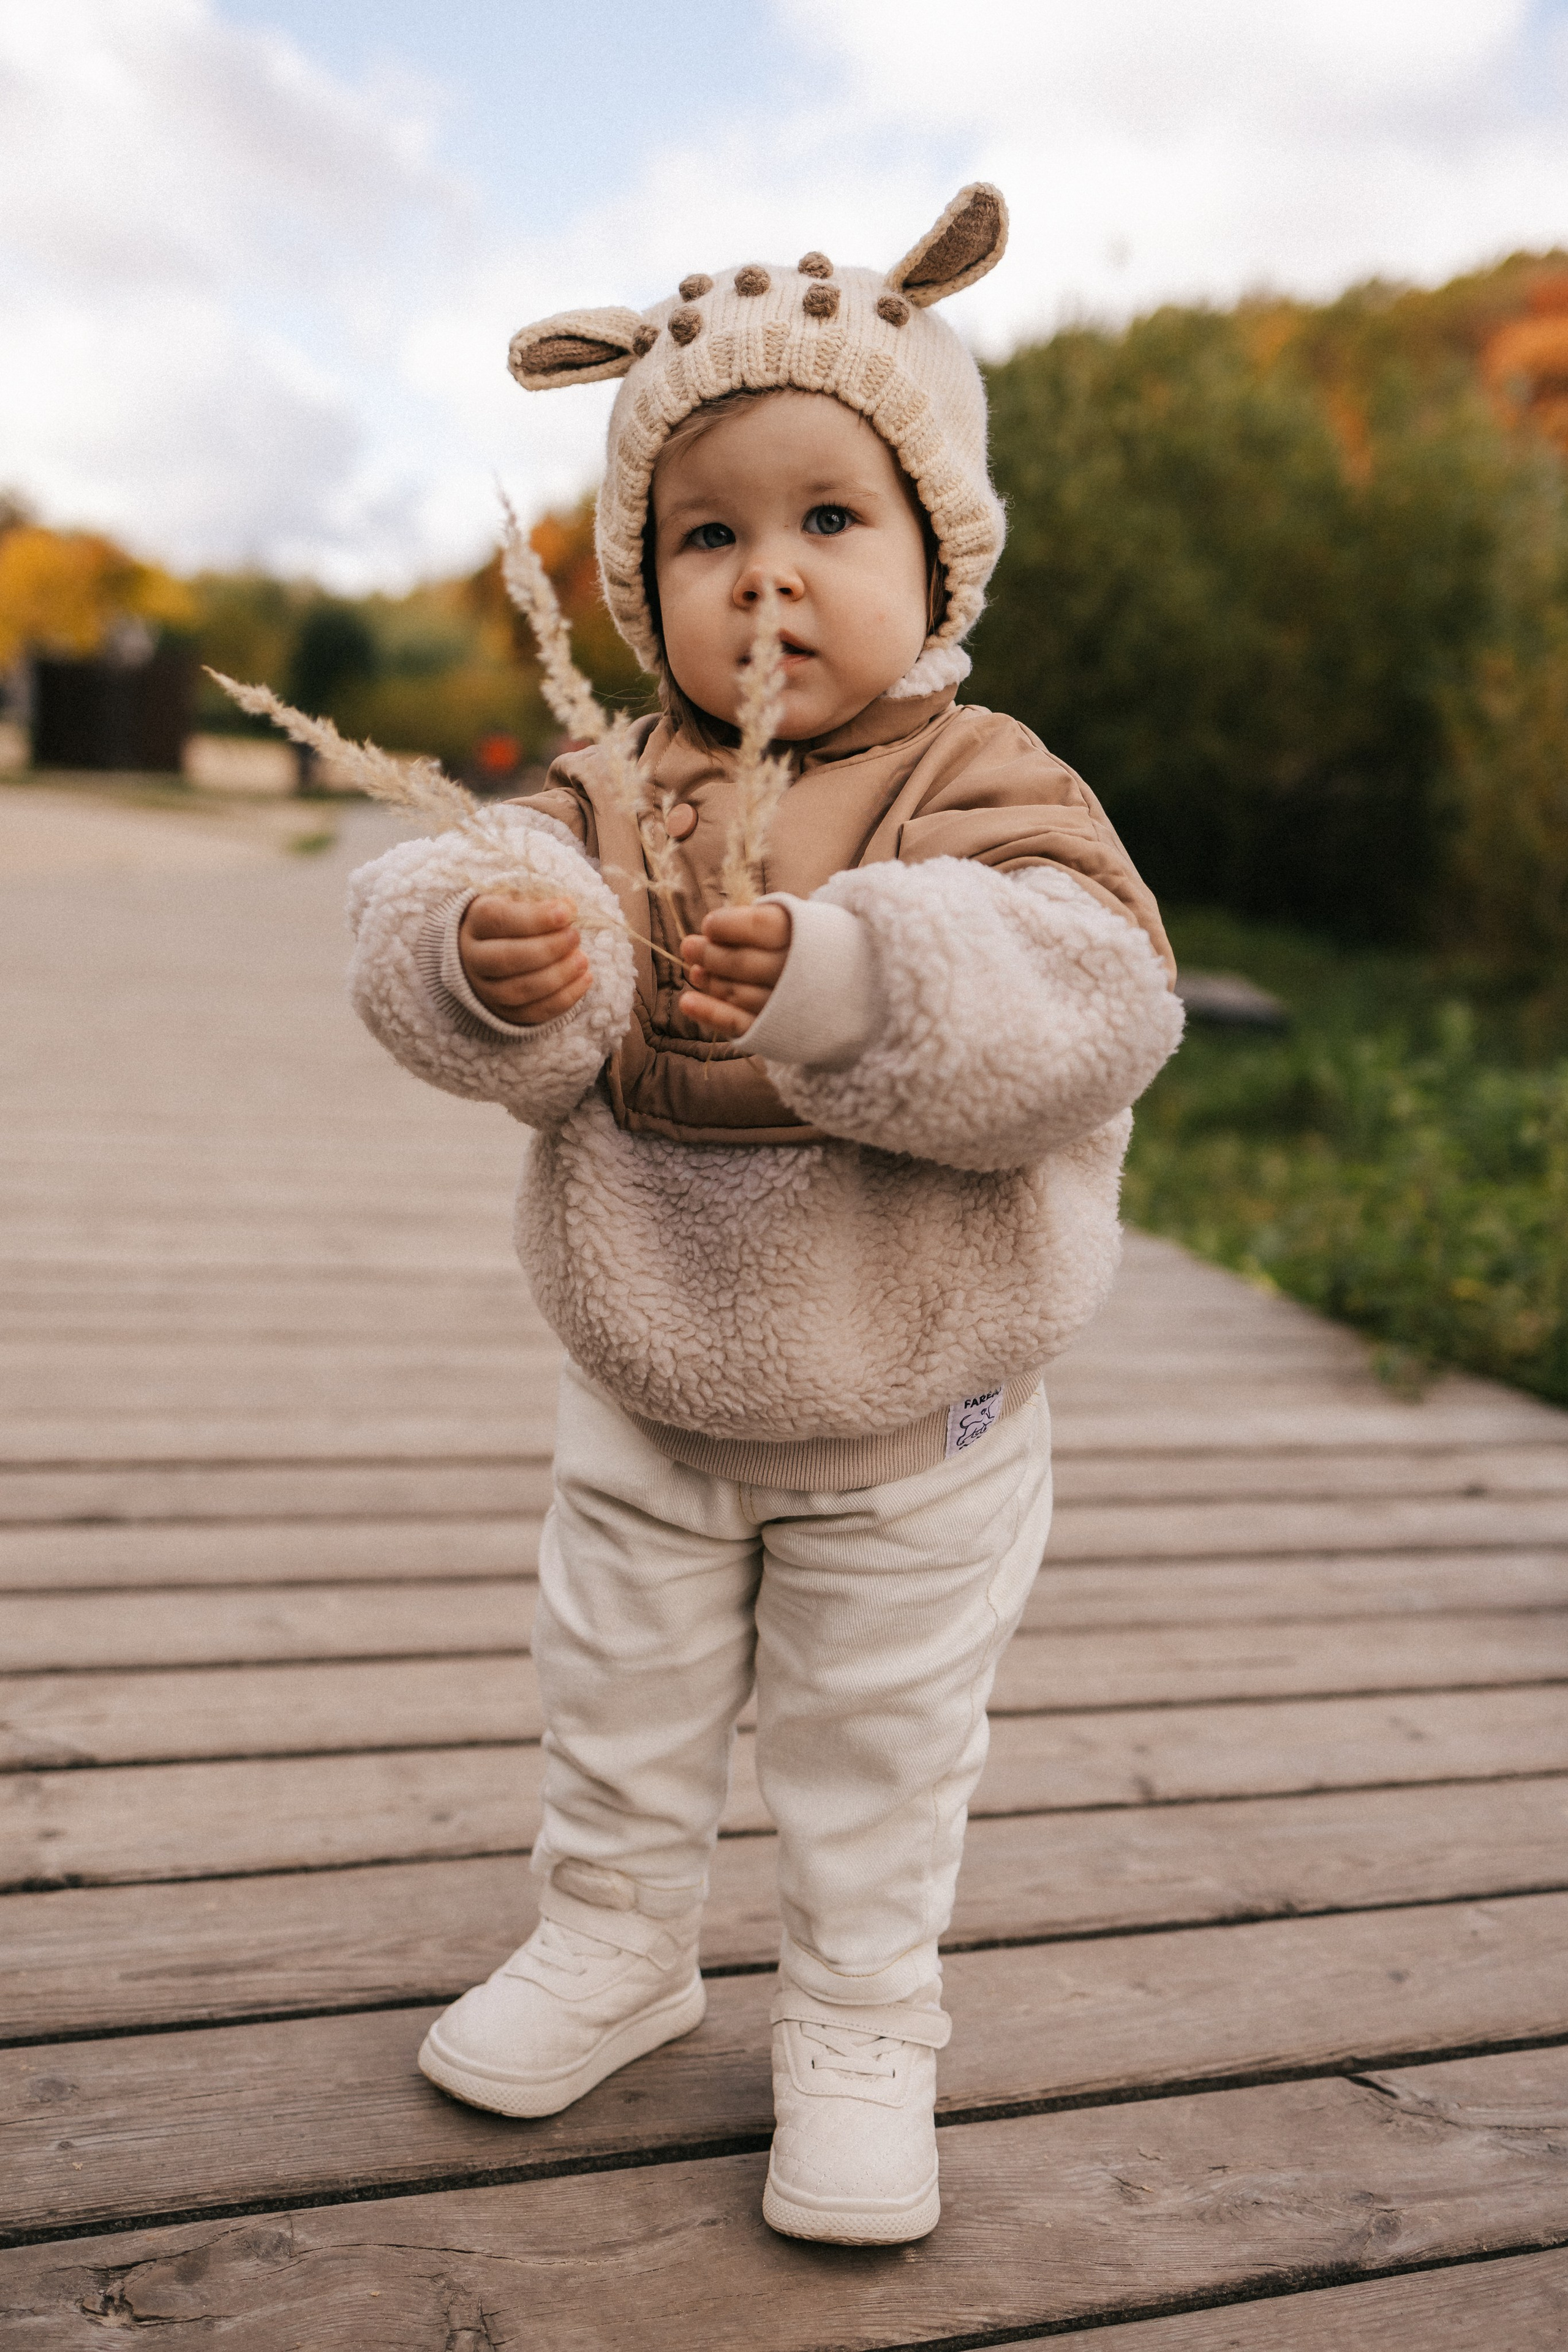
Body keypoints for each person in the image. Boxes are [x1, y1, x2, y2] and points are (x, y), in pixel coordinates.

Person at [346, 185, 1183, 2245]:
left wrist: (849, 976)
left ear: (939, 552)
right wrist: (486, 960)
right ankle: (618, 1939)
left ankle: (862, 2018)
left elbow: (1090, 1005)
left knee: (876, 1750)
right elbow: (410, 918)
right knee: (612, 1703)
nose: (769, 582)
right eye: (708, 534)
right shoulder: (603, 787)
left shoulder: (986, 779)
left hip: (917, 1414)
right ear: (640, 584)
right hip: (645, 1382)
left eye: (833, 521)